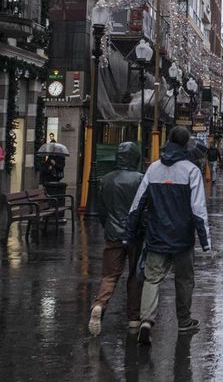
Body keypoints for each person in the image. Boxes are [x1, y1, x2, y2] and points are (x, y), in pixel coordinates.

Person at [127, 126, 210, 345]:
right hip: (183, 238)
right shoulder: (192, 171)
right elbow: (198, 210)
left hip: (157, 235)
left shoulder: (153, 169)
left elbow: (137, 204)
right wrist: (205, 242)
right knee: (184, 280)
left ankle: (146, 320)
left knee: (152, 278)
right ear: (186, 145)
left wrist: (129, 231)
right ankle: (184, 321)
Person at [89, 142, 145, 336]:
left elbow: (102, 210)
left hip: (113, 233)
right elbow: (144, 209)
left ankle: (99, 304)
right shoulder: (140, 179)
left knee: (110, 275)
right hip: (135, 235)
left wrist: (109, 226)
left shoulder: (106, 180)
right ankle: (133, 317)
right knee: (136, 275)